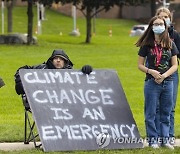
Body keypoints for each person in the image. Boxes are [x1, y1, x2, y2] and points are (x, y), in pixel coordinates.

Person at [136, 16, 178, 149]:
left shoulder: (170, 44)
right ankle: (153, 140)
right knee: (151, 113)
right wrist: (151, 72)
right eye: (156, 24)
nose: (158, 26)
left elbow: (175, 65)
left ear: (165, 26)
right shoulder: (146, 45)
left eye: (161, 24)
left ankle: (165, 139)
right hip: (151, 82)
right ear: (151, 26)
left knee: (166, 112)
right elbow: (140, 65)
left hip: (168, 82)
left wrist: (164, 75)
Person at [14, 49, 93, 108]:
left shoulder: (71, 73)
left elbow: (81, 89)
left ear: (65, 62)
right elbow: (22, 71)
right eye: (55, 58)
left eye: (61, 59)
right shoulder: (41, 68)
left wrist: (85, 72)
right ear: (52, 60)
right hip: (41, 104)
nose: (58, 60)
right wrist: (21, 82)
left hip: (66, 104)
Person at [155, 7, 180, 143]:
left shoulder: (174, 35)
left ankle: (169, 136)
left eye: (166, 17)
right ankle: (159, 135)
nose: (164, 19)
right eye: (161, 17)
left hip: (171, 74)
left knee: (170, 106)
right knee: (157, 106)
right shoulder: (152, 35)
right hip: (155, 74)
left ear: (170, 19)